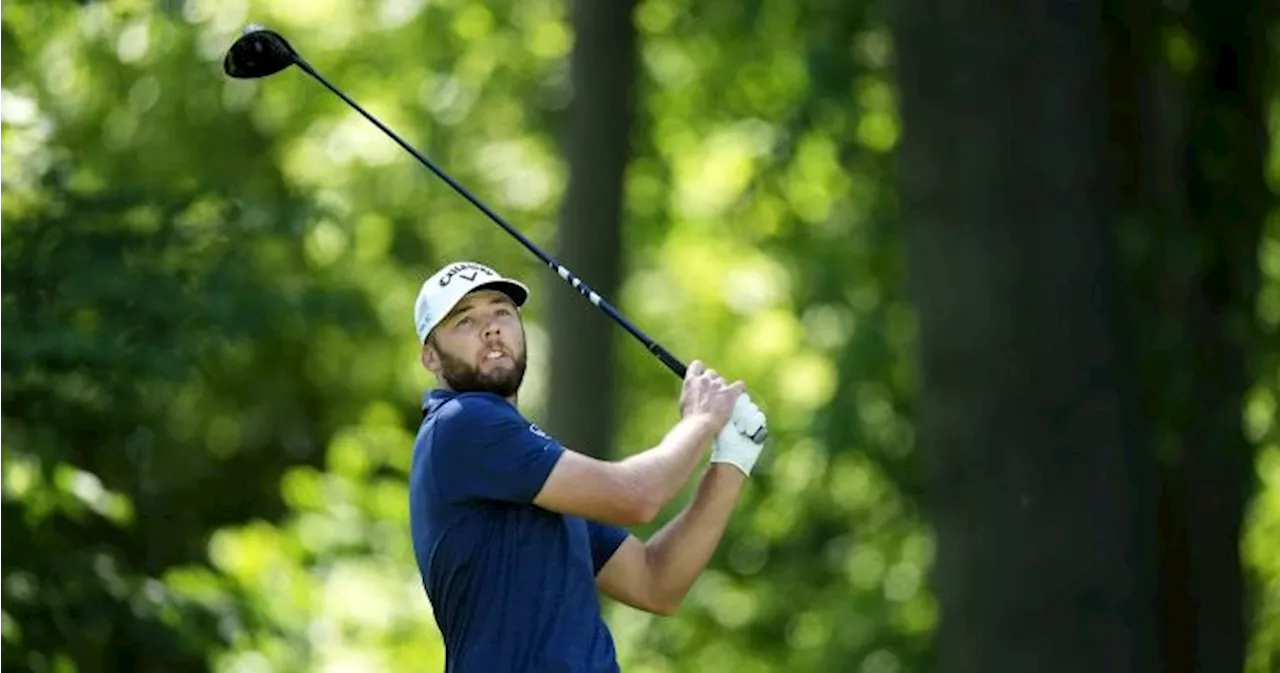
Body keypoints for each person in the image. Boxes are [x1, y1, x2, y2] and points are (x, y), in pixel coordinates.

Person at [407, 260, 769, 673]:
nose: (491, 327)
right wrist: (702, 420)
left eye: (501, 312)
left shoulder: (531, 461)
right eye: (465, 321)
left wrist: (731, 461)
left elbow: (654, 583)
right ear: (431, 357)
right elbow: (638, 497)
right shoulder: (462, 423)